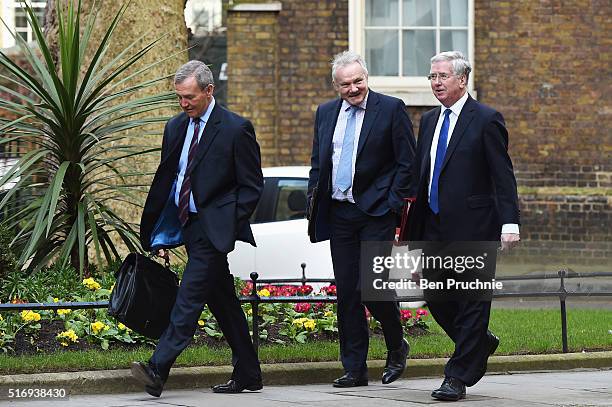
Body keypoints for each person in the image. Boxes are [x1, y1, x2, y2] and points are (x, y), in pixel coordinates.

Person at [131, 60, 264, 397]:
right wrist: (162, 233)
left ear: (209, 91)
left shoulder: (236, 128)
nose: (184, 103)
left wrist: (229, 223)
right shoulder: (175, 127)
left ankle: (157, 368)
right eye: (179, 98)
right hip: (188, 226)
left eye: (189, 97)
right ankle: (249, 372)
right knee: (223, 303)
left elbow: (251, 186)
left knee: (188, 299)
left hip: (213, 230)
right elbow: (170, 183)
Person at [407, 51, 520, 401]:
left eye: (442, 76)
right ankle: (480, 344)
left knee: (472, 301)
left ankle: (456, 377)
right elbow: (421, 179)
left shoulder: (486, 119)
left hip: (475, 227)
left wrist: (509, 222)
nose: (436, 82)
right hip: (434, 226)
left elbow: (503, 175)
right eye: (432, 76)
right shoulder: (427, 121)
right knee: (437, 298)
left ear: (462, 80)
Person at [307, 51, 416, 387]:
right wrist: (315, 195)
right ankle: (354, 369)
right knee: (347, 294)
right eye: (346, 84)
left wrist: (392, 202)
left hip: (376, 212)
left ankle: (397, 345)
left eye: (358, 81)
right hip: (340, 213)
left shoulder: (391, 108)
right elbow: (318, 161)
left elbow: (407, 162)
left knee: (372, 289)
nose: (353, 89)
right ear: (336, 86)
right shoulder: (326, 113)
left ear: (366, 78)